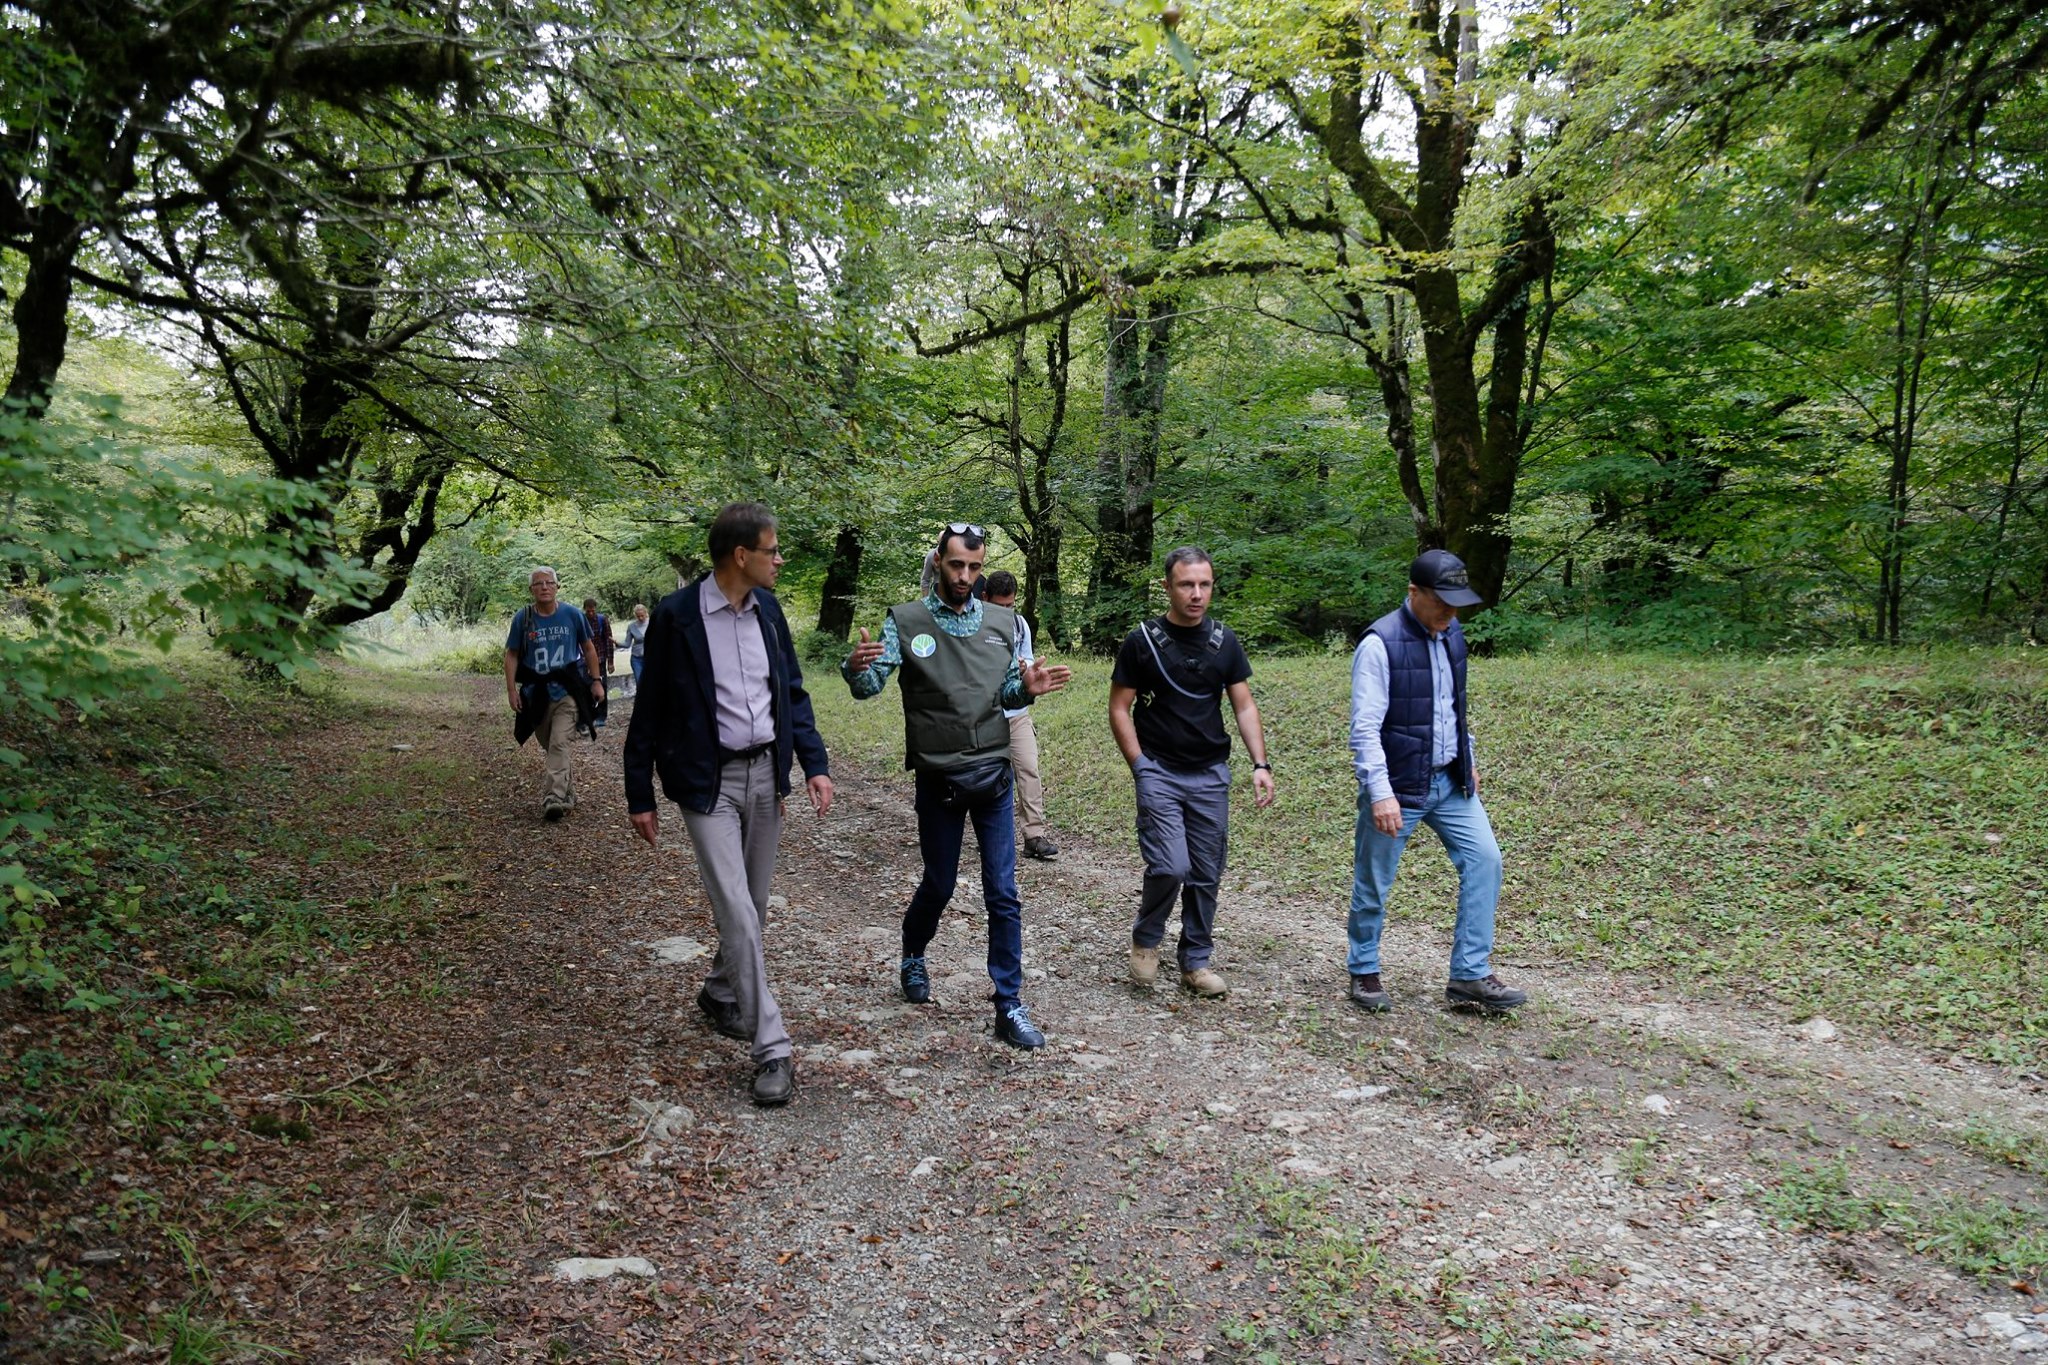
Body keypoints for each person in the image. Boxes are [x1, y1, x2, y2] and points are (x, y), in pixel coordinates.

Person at [624, 502, 833, 1107]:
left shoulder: (768, 609)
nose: (779, 560)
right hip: (706, 784)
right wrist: (640, 792)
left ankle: (720, 992)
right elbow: (649, 707)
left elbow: (791, 691)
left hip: (766, 773)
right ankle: (773, 1048)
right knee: (737, 910)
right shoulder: (676, 616)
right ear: (741, 556)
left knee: (755, 906)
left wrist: (813, 764)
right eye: (772, 550)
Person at [843, 523, 1071, 1050]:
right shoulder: (908, 621)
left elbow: (1006, 691)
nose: (965, 576)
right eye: (956, 565)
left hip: (992, 774)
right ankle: (913, 953)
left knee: (1003, 892)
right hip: (939, 778)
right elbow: (870, 686)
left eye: (974, 567)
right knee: (940, 884)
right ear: (939, 564)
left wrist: (1027, 688)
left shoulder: (1002, 621)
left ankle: (1009, 1004)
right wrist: (856, 669)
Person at [1346, 548, 1526, 1015]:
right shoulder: (1379, 644)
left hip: (1449, 781)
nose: (1451, 612)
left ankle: (1469, 975)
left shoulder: (1452, 635)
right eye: (1442, 601)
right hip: (1397, 786)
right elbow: (1365, 729)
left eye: (1457, 603)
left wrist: (1468, 758)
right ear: (1414, 593)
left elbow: (1453, 706)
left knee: (1485, 860)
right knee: (1374, 881)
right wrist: (1380, 793)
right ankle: (1364, 970)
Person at [1108, 546, 1274, 998]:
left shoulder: (1225, 641)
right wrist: (1140, 765)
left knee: (1205, 871)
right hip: (1159, 770)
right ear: (1167, 587)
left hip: (1210, 774)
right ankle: (1147, 939)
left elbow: (1244, 705)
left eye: (1204, 584)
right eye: (1186, 584)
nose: (1196, 594)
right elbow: (1119, 707)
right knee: (1170, 865)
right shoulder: (1142, 641)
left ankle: (1195, 962)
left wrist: (1260, 764)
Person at [503, 567, 604, 821]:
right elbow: (511, 654)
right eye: (538, 583)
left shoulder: (572, 614)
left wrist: (596, 681)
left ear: (557, 587)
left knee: (559, 742)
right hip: (536, 693)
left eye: (549, 582)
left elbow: (588, 648)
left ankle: (553, 798)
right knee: (551, 746)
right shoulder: (523, 618)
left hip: (567, 690)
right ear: (531, 589)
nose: (544, 587)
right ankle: (567, 792)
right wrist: (511, 690)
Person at [980, 571, 1058, 862]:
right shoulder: (971, 625)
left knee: (1028, 769)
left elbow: (1028, 660)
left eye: (1010, 605)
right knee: (987, 775)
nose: (1005, 611)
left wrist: (1027, 671)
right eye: (999, 606)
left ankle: (1033, 836)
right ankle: (987, 834)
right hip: (984, 715)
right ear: (984, 598)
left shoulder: (1020, 624)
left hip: (1017, 713)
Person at [582, 598, 616, 728]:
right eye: (588, 611)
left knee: (602, 686)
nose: (591, 613)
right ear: (585, 609)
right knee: (586, 687)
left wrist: (610, 662)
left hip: (600, 658)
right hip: (585, 660)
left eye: (593, 611)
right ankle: (590, 716)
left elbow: (608, 641)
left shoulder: (602, 620)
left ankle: (601, 716)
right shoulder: (582, 620)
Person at [623, 603, 650, 697]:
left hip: (650, 657)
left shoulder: (652, 623)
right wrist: (616, 643)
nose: (641, 618)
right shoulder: (631, 626)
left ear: (646, 613)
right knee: (640, 682)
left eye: (642, 615)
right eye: (638, 616)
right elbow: (627, 644)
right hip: (636, 659)